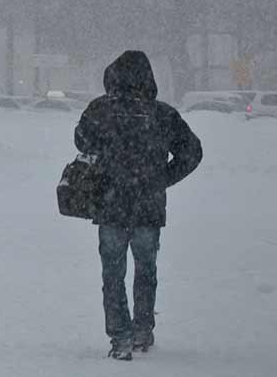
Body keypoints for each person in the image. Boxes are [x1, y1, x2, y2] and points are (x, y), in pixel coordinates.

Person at [75, 50, 203, 360]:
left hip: (111, 204)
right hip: (148, 206)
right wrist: (162, 178)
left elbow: (81, 141)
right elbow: (192, 152)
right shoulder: (162, 114)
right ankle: (143, 330)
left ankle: (120, 336)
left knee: (112, 274)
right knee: (146, 271)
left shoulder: (100, 110)